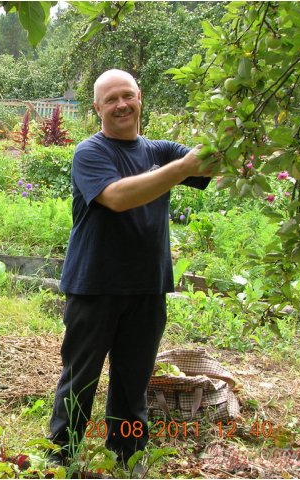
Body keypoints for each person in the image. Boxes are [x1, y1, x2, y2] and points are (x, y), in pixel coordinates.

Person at [48, 69, 212, 465]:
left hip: (147, 286)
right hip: (95, 285)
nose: (121, 105)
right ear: (97, 108)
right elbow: (117, 197)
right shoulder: (91, 152)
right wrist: (180, 169)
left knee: (133, 380)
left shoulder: (159, 150)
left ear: (140, 97)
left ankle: (127, 453)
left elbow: (209, 165)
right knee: (80, 377)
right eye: (111, 99)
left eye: (128, 96)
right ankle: (60, 454)